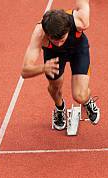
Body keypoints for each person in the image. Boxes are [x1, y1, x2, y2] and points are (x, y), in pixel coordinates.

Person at [21, 0, 100, 131]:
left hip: (78, 49)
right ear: (47, 33)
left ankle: (87, 102)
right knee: (54, 88)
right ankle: (59, 108)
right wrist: (43, 67)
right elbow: (24, 71)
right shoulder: (39, 33)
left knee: (80, 96)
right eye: (54, 40)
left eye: (61, 39)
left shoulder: (81, 20)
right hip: (53, 56)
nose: (58, 44)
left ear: (68, 29)